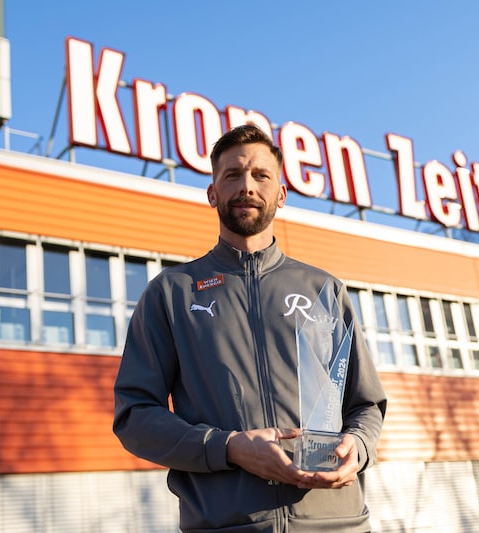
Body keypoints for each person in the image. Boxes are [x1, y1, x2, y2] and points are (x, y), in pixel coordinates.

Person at [113, 124, 387, 532]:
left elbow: (365, 405)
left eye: (261, 175)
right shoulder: (170, 294)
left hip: (340, 522)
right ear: (212, 194)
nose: (247, 186)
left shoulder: (324, 290)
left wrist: (359, 447)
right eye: (232, 175)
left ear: (281, 194)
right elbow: (135, 416)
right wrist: (230, 448)